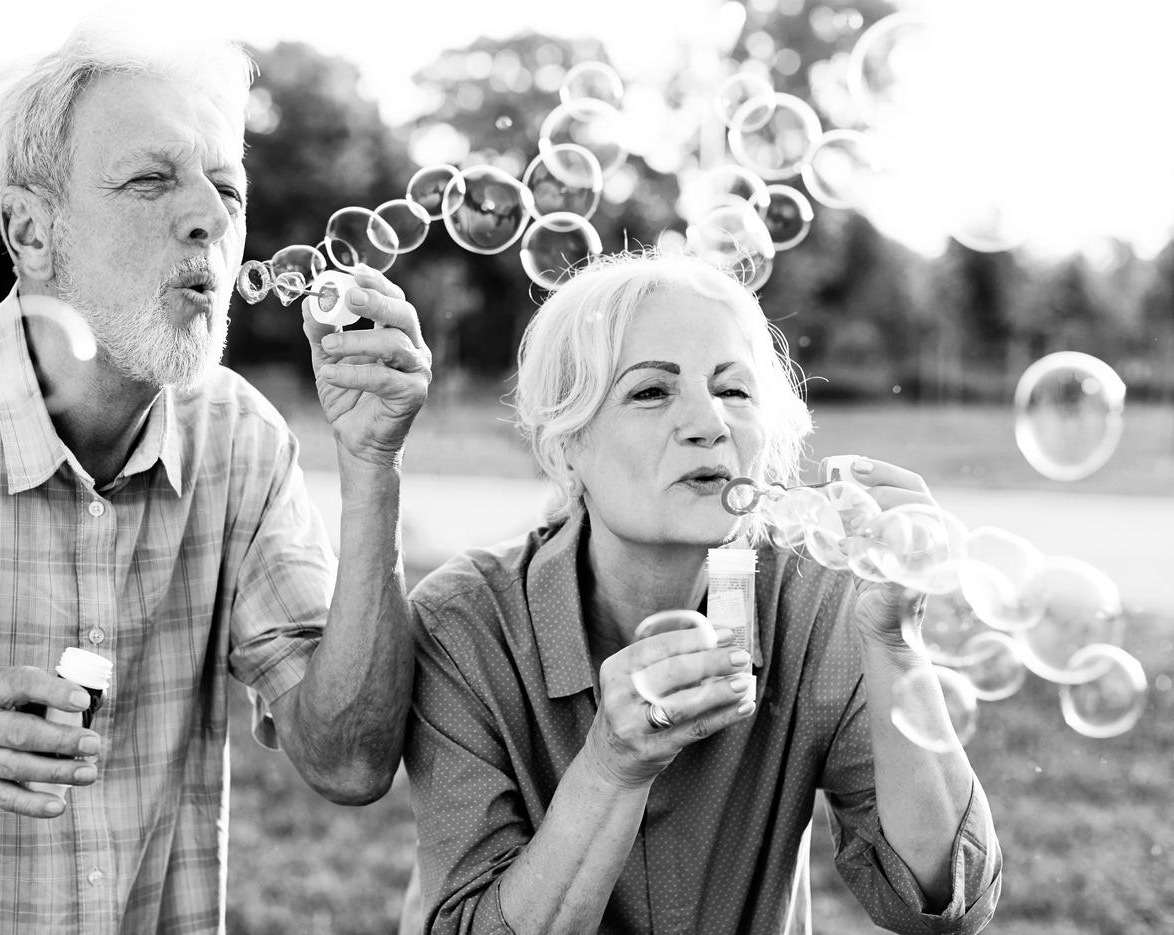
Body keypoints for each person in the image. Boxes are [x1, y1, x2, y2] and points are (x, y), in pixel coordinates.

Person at [0, 18, 430, 933]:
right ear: (28, 228)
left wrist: (373, 463)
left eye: (228, 186)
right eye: (151, 180)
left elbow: (348, 761)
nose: (212, 218)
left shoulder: (239, 438)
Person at [403, 250, 1001, 934]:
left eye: (735, 390)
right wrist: (612, 764)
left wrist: (894, 640)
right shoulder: (465, 624)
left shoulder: (826, 600)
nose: (708, 423)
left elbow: (942, 903)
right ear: (566, 445)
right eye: (652, 391)